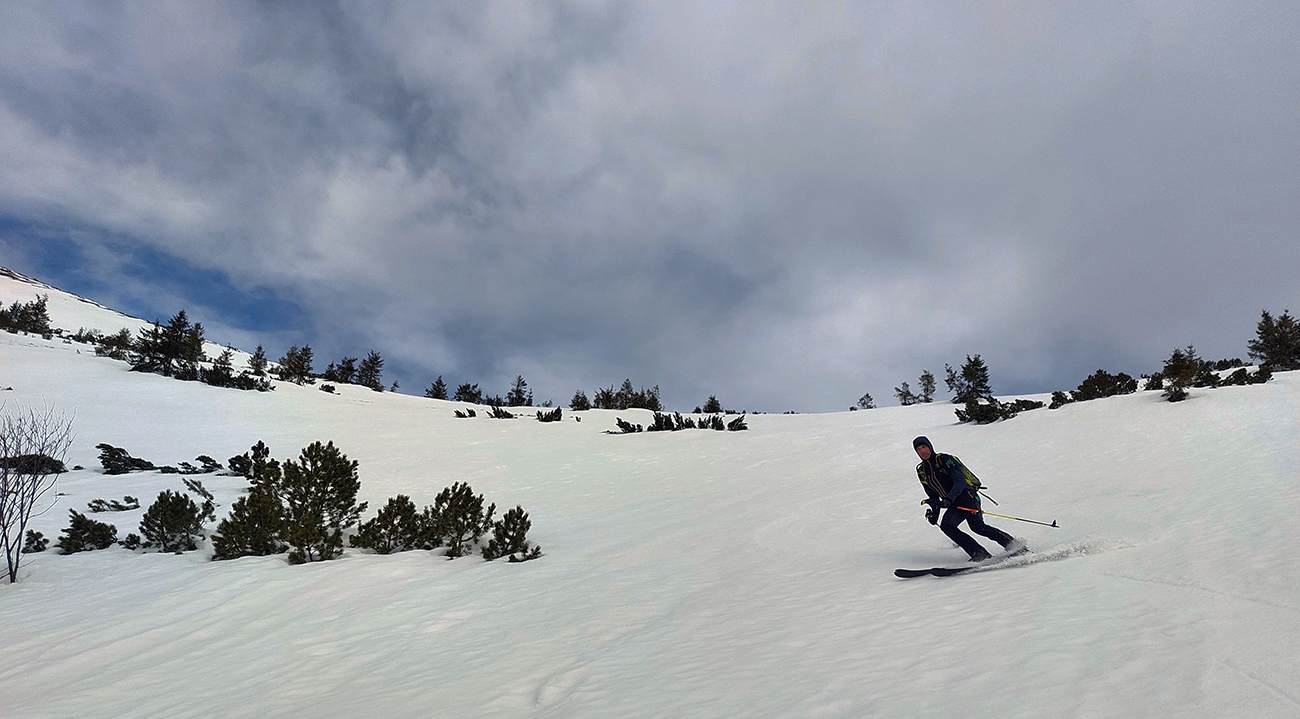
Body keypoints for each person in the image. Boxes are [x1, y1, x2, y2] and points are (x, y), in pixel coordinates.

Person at [912, 435, 1015, 562]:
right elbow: (932, 495)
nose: (922, 451)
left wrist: (949, 498)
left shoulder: (945, 459)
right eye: (919, 449)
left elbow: (960, 480)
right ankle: (979, 553)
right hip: (954, 503)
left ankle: (1013, 545)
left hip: (968, 497)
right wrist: (935, 514)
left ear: (930, 446)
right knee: (947, 526)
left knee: (977, 526)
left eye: (924, 447)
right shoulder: (922, 471)